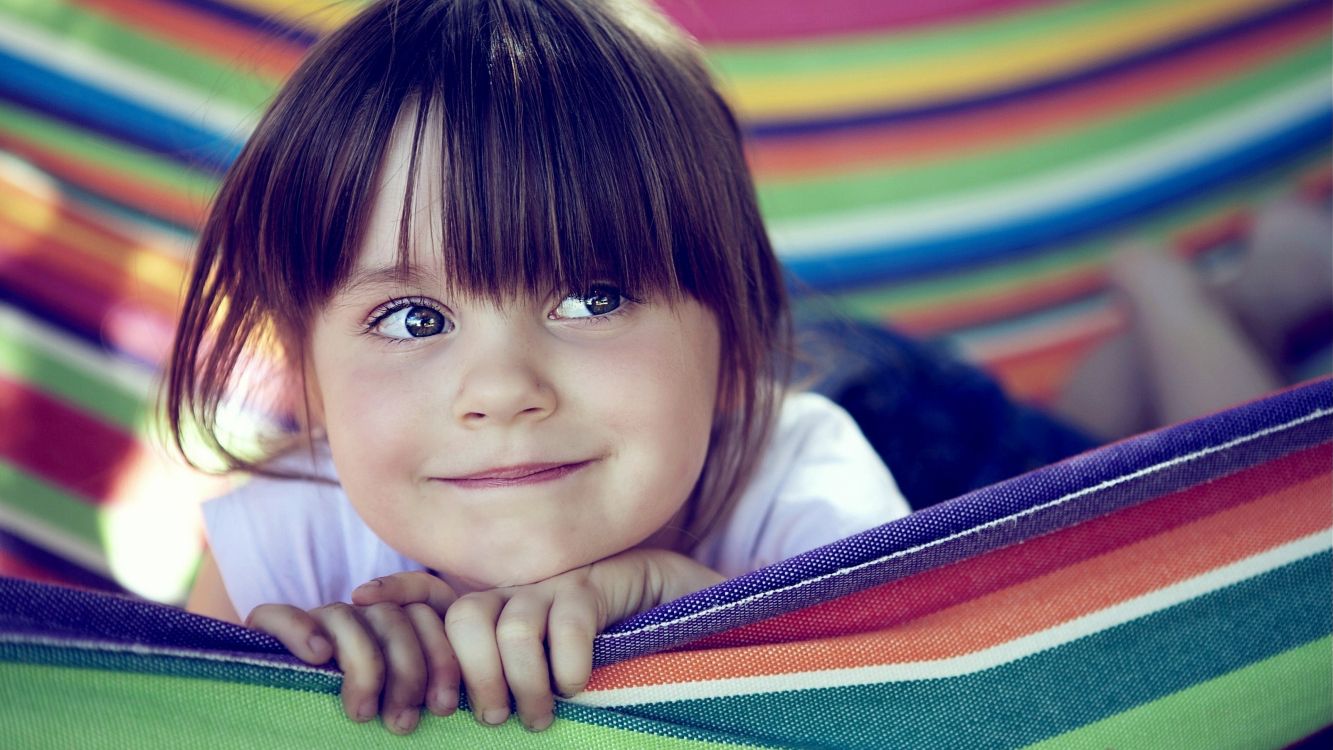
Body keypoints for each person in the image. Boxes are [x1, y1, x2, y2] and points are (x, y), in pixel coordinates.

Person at [166, 0, 910, 736]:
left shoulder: (803, 487)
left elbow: (922, 717)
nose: (501, 391)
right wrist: (293, 704)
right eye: (414, 319)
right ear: (308, 382)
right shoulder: (284, 544)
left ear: (736, 350)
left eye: (592, 298)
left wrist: (694, 611)